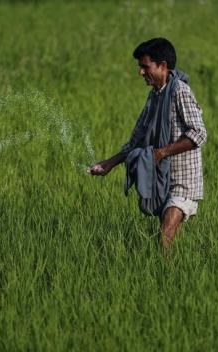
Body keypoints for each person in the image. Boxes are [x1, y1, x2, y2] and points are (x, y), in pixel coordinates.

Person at [89, 38, 207, 249]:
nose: (141, 72)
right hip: (163, 180)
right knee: (169, 240)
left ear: (162, 66)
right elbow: (136, 141)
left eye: (145, 66)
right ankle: (176, 272)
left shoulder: (180, 91)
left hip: (183, 182)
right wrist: (108, 164)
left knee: (165, 236)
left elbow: (198, 134)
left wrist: (161, 153)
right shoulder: (154, 97)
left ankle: (167, 277)